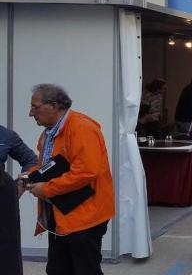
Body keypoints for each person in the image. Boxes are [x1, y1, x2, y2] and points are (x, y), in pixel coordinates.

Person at [25, 84, 114, 275]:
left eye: (35, 107)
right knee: (58, 269)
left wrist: (46, 189)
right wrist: (30, 176)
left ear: (54, 106)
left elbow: (86, 172)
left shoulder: (82, 128)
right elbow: (49, 166)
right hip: (61, 214)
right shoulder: (50, 132)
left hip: (84, 217)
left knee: (84, 269)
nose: (31, 113)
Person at [1, 125, 37, 275]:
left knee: (6, 248)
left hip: (3, 198)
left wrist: (21, 184)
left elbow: (31, 161)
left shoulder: (5, 135)